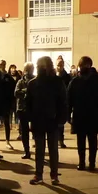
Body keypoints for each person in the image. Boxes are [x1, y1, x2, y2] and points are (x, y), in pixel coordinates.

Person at [26, 56, 67, 185]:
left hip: (52, 119)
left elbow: (62, 101)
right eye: (38, 66)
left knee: (53, 148)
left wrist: (61, 118)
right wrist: (30, 118)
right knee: (39, 149)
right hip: (38, 119)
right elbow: (28, 102)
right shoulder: (33, 83)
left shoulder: (56, 82)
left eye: (42, 66)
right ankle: (38, 174)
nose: (40, 68)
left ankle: (54, 175)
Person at [67, 56, 98, 171]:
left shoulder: (79, 81)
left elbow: (69, 99)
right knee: (86, 140)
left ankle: (88, 162)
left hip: (87, 114)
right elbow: (69, 99)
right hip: (85, 114)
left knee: (88, 140)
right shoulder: (78, 81)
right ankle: (85, 162)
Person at [14, 62, 34, 159]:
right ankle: (27, 151)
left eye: (31, 69)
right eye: (28, 69)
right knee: (24, 132)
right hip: (22, 109)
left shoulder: (35, 81)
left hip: (33, 109)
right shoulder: (20, 82)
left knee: (36, 130)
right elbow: (16, 93)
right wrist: (25, 91)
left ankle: (39, 151)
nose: (30, 71)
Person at [0, 60, 17, 153]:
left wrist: (11, 102)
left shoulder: (8, 77)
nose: (2, 66)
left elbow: (13, 89)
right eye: (0, 64)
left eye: (4, 64)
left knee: (6, 122)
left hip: (5, 103)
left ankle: (7, 141)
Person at [56, 57, 71, 147]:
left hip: (62, 101)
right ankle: (56, 139)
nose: (59, 67)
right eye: (58, 65)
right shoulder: (53, 75)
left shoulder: (67, 76)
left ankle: (60, 140)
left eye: (61, 65)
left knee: (61, 123)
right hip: (54, 101)